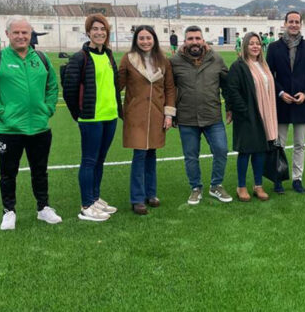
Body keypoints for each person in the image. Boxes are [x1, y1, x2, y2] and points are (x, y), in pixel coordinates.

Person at [0, 16, 62, 230]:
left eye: (25, 32)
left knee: (40, 170)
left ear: (30, 35)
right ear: (7, 35)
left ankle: (43, 208)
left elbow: (53, 87)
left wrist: (48, 108)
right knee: (8, 173)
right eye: (16, 32)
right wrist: (2, 114)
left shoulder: (41, 59)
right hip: (9, 129)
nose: (21, 36)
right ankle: (9, 211)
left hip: (40, 126)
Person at [62, 13, 123, 222]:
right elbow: (69, 88)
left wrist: (119, 110)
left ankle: (95, 198)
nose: (99, 33)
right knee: (89, 160)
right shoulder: (80, 57)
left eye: (103, 29)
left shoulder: (108, 55)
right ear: (88, 32)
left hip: (110, 116)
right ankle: (86, 205)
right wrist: (78, 114)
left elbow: (114, 86)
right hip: (91, 118)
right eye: (95, 29)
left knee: (100, 159)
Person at [170, 25, 233, 205]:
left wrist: (229, 107)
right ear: (185, 42)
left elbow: (227, 86)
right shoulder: (175, 62)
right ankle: (195, 188)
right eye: (191, 39)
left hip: (212, 116)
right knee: (191, 156)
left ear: (203, 40)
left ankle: (216, 185)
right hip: (186, 118)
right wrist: (171, 113)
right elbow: (169, 89)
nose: (194, 42)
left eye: (198, 38)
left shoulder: (216, 59)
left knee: (221, 150)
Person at [118, 25, 176, 214]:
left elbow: (169, 89)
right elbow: (117, 85)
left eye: (148, 38)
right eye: (141, 38)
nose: (145, 41)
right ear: (136, 40)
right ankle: (137, 198)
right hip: (136, 114)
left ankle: (151, 194)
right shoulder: (128, 59)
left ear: (154, 40)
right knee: (140, 155)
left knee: (151, 154)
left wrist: (169, 114)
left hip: (157, 113)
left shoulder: (163, 60)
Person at [266, 11, 305, 193]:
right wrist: (280, 92)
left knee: (300, 144)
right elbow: (269, 76)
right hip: (281, 103)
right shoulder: (274, 48)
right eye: (291, 21)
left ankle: (297, 179)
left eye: (297, 22)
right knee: (279, 144)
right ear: (285, 24)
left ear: (301, 24)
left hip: (302, 104)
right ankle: (278, 179)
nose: (294, 25)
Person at [226, 32, 278, 201]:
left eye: (258, 43)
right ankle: (241, 186)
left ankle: (258, 185)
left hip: (265, 114)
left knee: (261, 150)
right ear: (245, 46)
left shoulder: (264, 65)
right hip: (248, 115)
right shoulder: (239, 66)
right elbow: (232, 90)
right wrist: (244, 111)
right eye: (251, 43)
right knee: (246, 151)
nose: (255, 46)